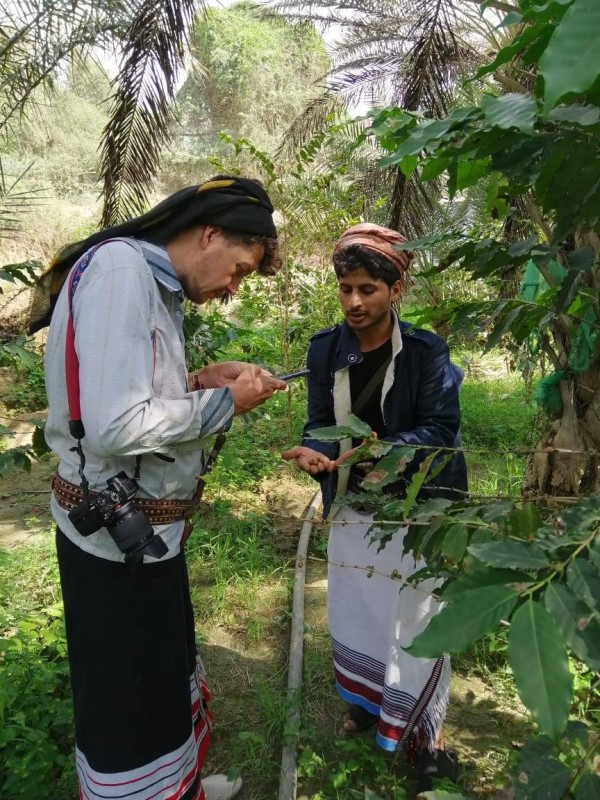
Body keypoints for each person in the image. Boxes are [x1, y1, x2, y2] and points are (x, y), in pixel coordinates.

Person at [35, 176, 287, 800]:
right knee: (130, 699)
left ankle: (177, 787)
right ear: (208, 235)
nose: (234, 287)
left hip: (143, 534)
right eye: (239, 269)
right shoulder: (122, 271)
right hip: (114, 545)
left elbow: (129, 392)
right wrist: (223, 404)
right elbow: (116, 424)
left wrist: (200, 379)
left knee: (157, 680)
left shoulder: (151, 283)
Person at [283, 223, 468, 787]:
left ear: (394, 289)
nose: (355, 302)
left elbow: (441, 429)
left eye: (368, 289)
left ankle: (426, 736)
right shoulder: (325, 350)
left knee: (417, 617)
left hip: (419, 509)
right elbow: (320, 422)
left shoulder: (425, 352)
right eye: (346, 289)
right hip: (355, 507)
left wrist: (379, 451)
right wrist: (316, 452)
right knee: (360, 607)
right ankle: (367, 702)